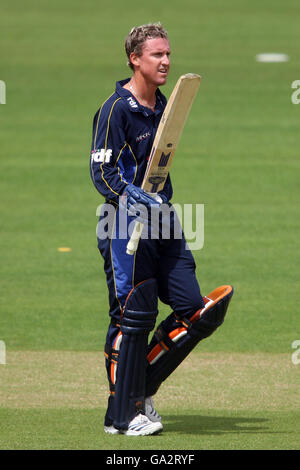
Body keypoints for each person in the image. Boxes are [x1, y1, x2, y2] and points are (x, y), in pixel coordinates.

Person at [90, 23, 233, 436]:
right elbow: (101, 171)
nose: (167, 61)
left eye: (168, 53)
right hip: (123, 225)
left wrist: (155, 205)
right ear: (135, 59)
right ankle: (123, 415)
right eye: (157, 55)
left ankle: (141, 389)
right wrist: (131, 196)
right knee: (133, 317)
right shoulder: (115, 110)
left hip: (164, 222)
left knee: (198, 311)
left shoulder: (163, 104)